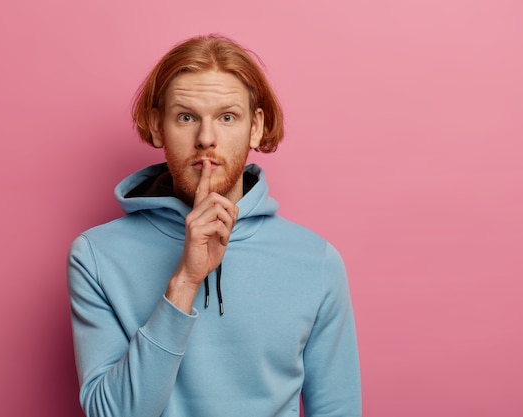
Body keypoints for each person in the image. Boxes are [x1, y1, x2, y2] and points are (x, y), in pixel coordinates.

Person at [67, 34, 361, 417]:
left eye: (227, 117)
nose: (206, 139)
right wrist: (185, 282)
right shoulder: (95, 257)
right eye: (186, 117)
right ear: (158, 126)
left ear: (255, 127)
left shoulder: (316, 262)